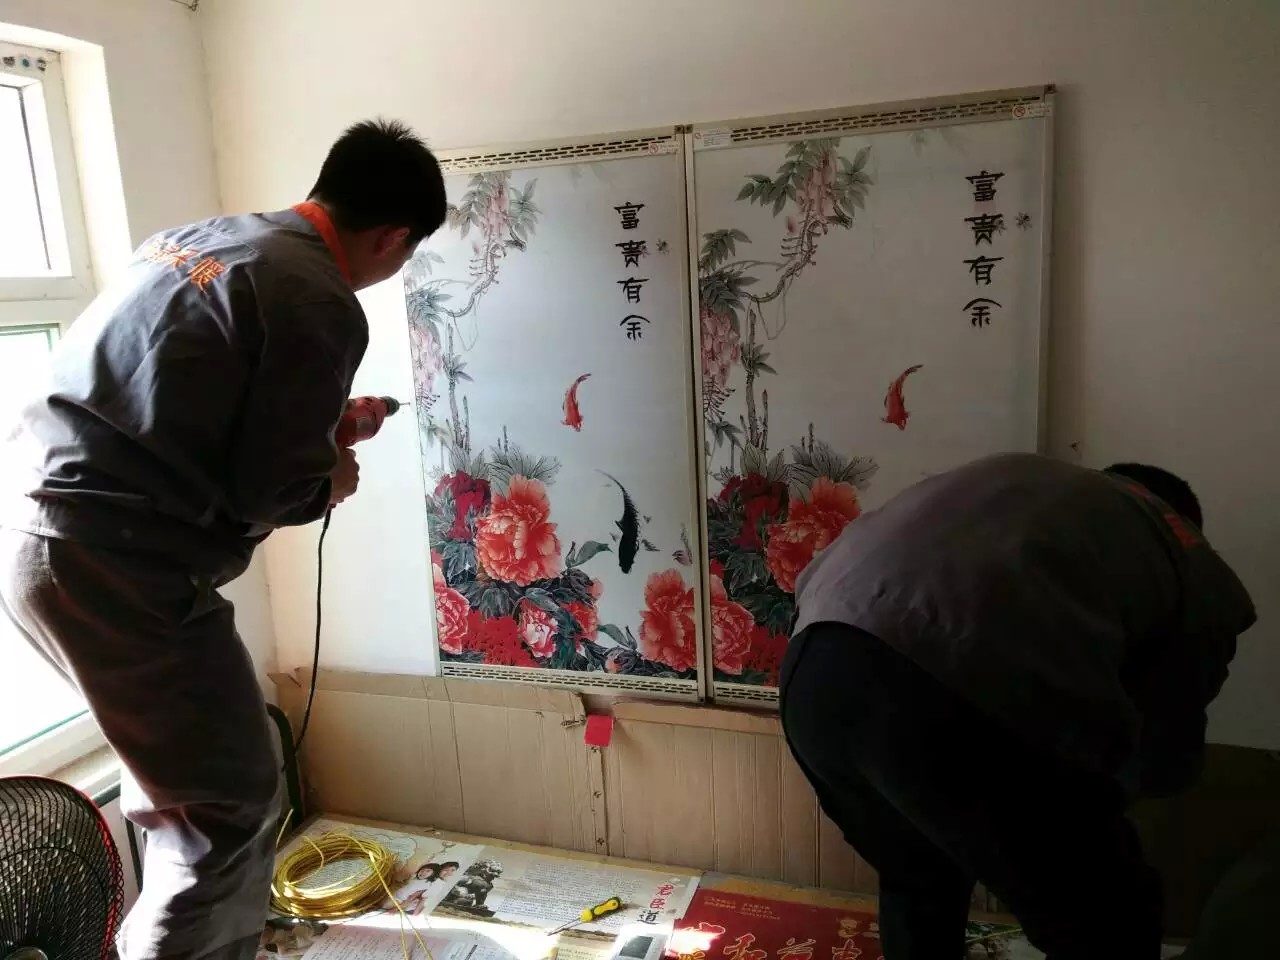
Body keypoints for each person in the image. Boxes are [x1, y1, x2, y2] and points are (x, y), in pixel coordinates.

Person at [0, 120, 446, 960]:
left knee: (183, 796)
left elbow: (179, 404)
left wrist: (325, 427)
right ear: (394, 237)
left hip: (37, 536)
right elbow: (268, 489)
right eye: (407, 252)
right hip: (117, 560)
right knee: (229, 806)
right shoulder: (320, 298)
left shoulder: (196, 241)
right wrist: (329, 477)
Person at [781, 453, 1255, 960]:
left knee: (919, 875)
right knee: (1111, 917)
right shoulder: (1180, 540)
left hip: (813, 669)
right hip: (951, 689)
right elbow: (1167, 752)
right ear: (1182, 516)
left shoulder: (1029, 481)